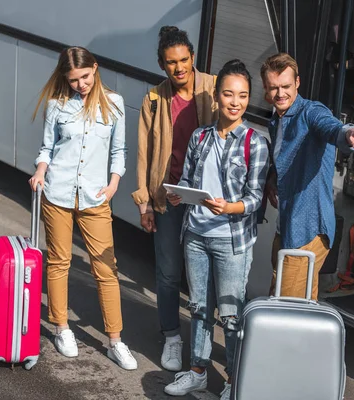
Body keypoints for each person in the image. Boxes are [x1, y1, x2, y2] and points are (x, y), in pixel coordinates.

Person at [163, 60, 270, 399]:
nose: (235, 102)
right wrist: (179, 194)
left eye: (242, 95)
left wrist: (230, 207)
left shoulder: (256, 142)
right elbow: (188, 180)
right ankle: (197, 370)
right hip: (195, 235)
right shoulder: (200, 136)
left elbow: (255, 199)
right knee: (198, 307)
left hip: (231, 241)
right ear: (216, 96)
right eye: (228, 94)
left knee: (231, 315)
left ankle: (233, 381)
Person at [28, 46, 137, 370]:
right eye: (74, 80)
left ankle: (115, 341)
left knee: (106, 269)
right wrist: (39, 171)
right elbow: (47, 147)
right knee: (58, 262)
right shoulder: (56, 106)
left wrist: (114, 183)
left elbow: (119, 151)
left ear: (96, 69)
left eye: (86, 77)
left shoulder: (114, 104)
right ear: (66, 78)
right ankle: (61, 327)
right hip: (58, 193)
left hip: (95, 196)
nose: (81, 84)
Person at [131, 25, 217, 372]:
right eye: (171, 63)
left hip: (206, 199)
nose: (179, 68)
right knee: (168, 273)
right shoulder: (154, 99)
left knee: (203, 276)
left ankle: (201, 344)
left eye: (184, 60)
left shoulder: (213, 89)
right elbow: (143, 152)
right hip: (169, 198)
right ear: (162, 64)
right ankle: (171, 336)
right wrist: (144, 202)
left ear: (192, 57)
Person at [261, 53, 354, 300]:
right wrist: (272, 178)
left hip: (306, 230)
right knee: (298, 305)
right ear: (265, 89)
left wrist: (350, 133)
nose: (280, 94)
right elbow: (285, 159)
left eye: (286, 87)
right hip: (287, 226)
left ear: (298, 83)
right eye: (274, 88)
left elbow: (331, 127)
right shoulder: (276, 121)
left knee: (285, 309)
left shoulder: (310, 112)